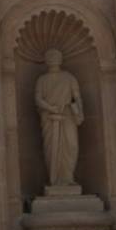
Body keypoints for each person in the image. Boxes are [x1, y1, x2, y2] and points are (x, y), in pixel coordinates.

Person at [34, 48, 83, 190]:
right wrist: (51, 108)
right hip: (49, 117)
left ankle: (68, 178)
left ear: (61, 59)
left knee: (71, 145)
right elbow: (38, 99)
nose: (53, 58)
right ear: (46, 60)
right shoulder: (42, 80)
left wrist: (80, 113)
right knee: (51, 148)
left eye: (56, 56)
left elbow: (77, 97)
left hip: (67, 115)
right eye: (50, 56)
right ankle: (54, 180)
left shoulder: (69, 77)